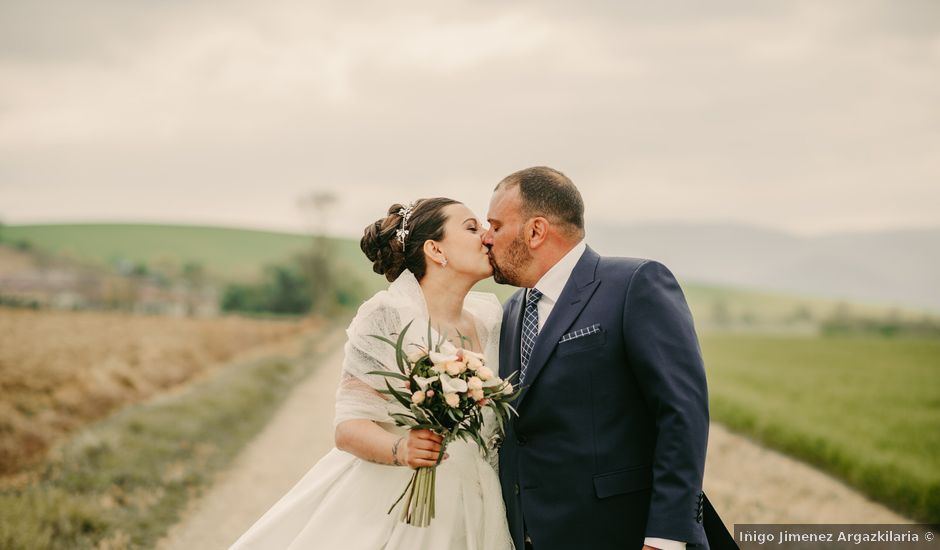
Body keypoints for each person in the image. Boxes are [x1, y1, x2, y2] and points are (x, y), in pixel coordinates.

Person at [229, 197, 514, 550]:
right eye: (472, 228)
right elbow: (349, 427)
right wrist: (402, 448)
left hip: (477, 497)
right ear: (435, 250)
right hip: (400, 500)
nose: (487, 236)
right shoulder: (388, 316)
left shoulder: (492, 320)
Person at [484, 167, 734, 550]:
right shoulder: (512, 309)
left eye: (496, 225)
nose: (486, 238)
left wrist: (666, 536)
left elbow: (681, 413)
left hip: (622, 533)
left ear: (536, 231)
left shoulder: (634, 284)